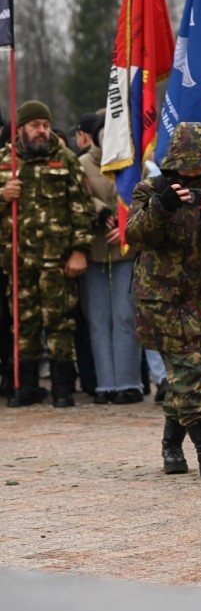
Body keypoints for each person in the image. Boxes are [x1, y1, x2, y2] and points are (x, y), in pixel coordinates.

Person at [126, 122, 201, 478]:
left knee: (187, 375)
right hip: (161, 300)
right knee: (188, 372)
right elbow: (135, 234)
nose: (195, 172)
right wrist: (161, 207)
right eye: (188, 165)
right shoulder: (152, 189)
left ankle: (171, 446)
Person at [0, 100, 94, 408]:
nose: (41, 131)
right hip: (18, 260)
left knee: (59, 323)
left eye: (44, 125)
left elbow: (82, 210)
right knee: (23, 323)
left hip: (58, 260)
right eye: (34, 126)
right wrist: (3, 195)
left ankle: (62, 387)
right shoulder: (5, 162)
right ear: (21, 129)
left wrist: (80, 250)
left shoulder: (65, 159)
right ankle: (25, 386)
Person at [75, 112, 143, 405]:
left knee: (126, 316)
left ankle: (129, 382)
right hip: (94, 248)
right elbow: (76, 195)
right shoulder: (80, 164)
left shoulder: (132, 163)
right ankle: (106, 384)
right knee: (98, 318)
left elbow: (142, 196)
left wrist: (127, 223)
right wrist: (101, 210)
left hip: (126, 250)